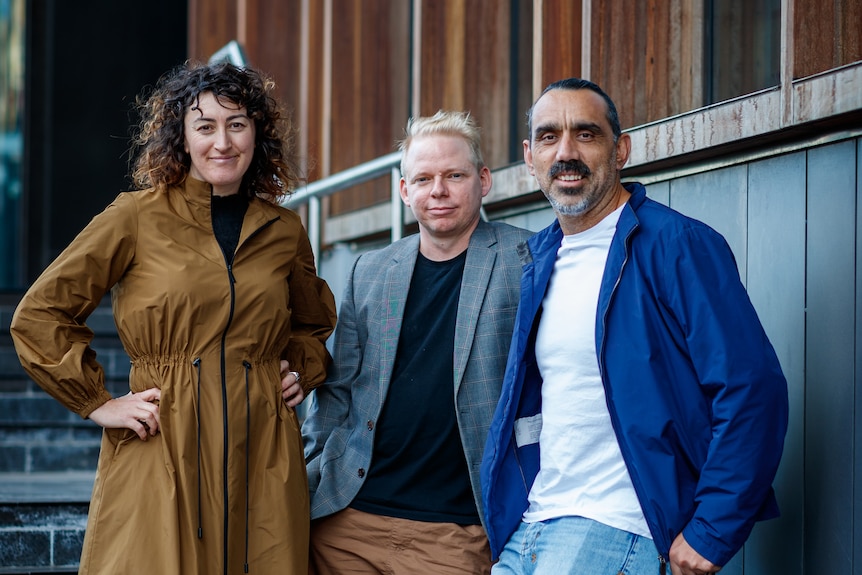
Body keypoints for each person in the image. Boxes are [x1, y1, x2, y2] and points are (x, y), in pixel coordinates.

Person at [10, 61, 337, 574]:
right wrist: (97, 403)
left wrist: (299, 366)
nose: (222, 142)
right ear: (182, 138)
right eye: (205, 126)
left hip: (264, 452)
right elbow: (40, 314)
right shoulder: (135, 216)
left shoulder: (284, 230)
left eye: (237, 124)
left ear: (257, 135)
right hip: (164, 440)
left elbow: (312, 323)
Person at [480, 78, 789, 575]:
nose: (565, 152)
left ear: (620, 149)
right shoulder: (537, 259)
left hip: (616, 527)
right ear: (529, 155)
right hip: (534, 523)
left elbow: (753, 390)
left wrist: (712, 530)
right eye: (548, 137)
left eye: (586, 134)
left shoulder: (678, 245)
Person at [301, 110, 533, 574]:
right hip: (347, 521)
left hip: (455, 534)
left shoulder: (526, 257)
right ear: (405, 191)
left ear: (483, 180)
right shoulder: (370, 269)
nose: (439, 191)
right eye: (423, 178)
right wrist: (309, 472)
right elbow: (338, 390)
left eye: (454, 175)